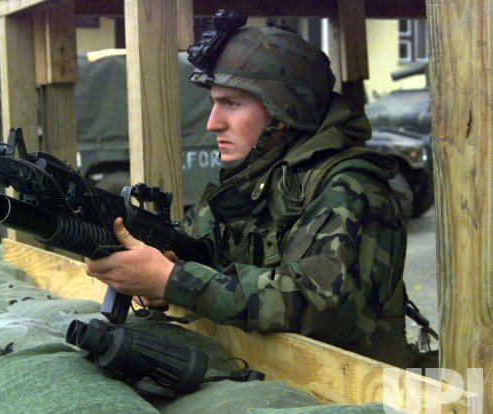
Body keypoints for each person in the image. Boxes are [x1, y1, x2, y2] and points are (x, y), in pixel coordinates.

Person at [86, 23, 411, 368]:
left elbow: (324, 305)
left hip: (355, 400)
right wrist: (156, 273)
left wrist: (174, 280)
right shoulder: (249, 181)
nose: (213, 123)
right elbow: (204, 254)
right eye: (214, 103)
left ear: (286, 111)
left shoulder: (351, 189)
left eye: (231, 103)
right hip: (264, 377)